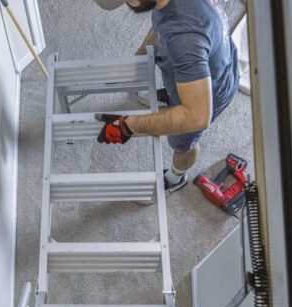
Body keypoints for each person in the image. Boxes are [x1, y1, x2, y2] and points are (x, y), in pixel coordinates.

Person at [94, 0, 239, 193]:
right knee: (180, 83)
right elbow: (161, 23)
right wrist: (140, 58)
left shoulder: (184, 37)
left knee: (183, 144)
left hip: (209, 93)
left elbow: (196, 117)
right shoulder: (168, 8)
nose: (129, 4)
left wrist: (128, 125)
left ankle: (175, 178)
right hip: (214, 59)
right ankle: (173, 96)